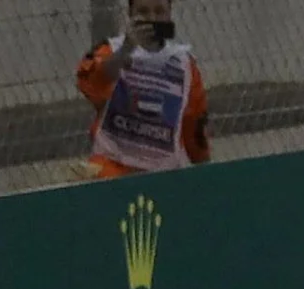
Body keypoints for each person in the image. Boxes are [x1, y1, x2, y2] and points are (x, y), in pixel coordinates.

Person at [76, 0, 212, 178]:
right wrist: (125, 50)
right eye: (143, 12)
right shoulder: (111, 50)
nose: (152, 18)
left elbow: (194, 124)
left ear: (169, 14)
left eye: (159, 11)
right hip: (112, 166)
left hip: (164, 173)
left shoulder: (185, 64)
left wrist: (205, 171)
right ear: (130, 15)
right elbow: (92, 82)